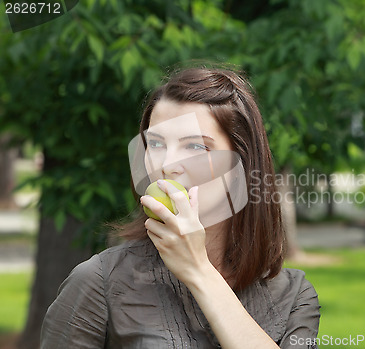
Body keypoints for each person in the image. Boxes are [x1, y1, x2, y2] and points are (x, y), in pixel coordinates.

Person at [40, 65, 320, 348]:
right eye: (156, 144)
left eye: (196, 146)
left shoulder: (293, 296)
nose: (166, 165)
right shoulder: (99, 282)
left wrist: (199, 271)